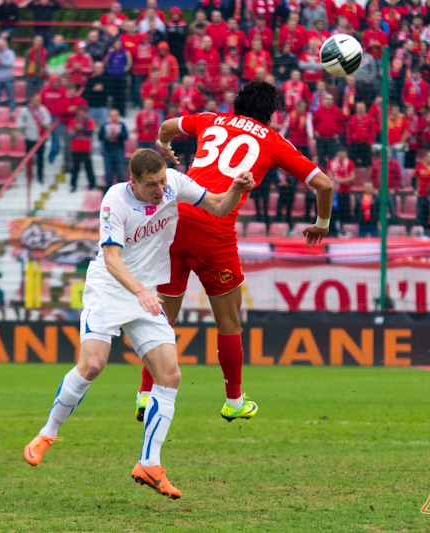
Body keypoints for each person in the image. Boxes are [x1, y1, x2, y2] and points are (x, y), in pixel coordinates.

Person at [22, 149, 256, 499]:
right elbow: (112, 259)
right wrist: (141, 293)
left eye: (162, 181)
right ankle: (46, 433)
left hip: (144, 292)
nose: (160, 190)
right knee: (93, 365)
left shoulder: (174, 183)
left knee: (170, 375)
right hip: (110, 288)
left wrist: (238, 188)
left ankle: (149, 463)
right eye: (151, 185)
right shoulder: (115, 200)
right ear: (134, 182)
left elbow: (220, 206)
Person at [142, 81, 334, 422]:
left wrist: (163, 146)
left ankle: (145, 394)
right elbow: (325, 184)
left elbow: (166, 127)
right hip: (214, 227)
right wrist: (321, 223)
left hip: (174, 217)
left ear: (237, 103)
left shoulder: (210, 119)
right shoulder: (273, 140)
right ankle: (233, 400)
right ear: (270, 114)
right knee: (229, 320)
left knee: (163, 316)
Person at [17, 94, 52, 184]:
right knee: (28, 159)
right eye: (36, 100)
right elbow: (19, 119)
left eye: (39, 100)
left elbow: (48, 119)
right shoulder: (26, 110)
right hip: (29, 138)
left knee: (40, 159)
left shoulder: (43, 110)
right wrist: (22, 125)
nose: (38, 102)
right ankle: (29, 175)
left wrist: (45, 123)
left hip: (40, 138)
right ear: (31, 100)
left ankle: (40, 177)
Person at [99, 109, 129, 191]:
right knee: (109, 174)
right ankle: (109, 193)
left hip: (119, 151)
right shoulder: (105, 125)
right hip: (108, 151)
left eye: (115, 115)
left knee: (121, 174)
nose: (114, 117)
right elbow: (100, 137)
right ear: (109, 116)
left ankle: (122, 193)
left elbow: (126, 137)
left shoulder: (122, 125)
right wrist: (107, 136)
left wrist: (118, 134)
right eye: (112, 115)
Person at [328, 147, 355, 233]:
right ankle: (332, 231)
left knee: (344, 213)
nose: (342, 154)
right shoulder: (331, 163)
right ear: (337, 153)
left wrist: (340, 180)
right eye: (340, 152)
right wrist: (336, 181)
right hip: (335, 193)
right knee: (333, 213)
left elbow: (352, 177)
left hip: (345, 192)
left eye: (344, 152)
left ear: (346, 153)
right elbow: (329, 176)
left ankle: (343, 231)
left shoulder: (349, 163)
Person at [69, 106, 95, 192]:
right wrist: (76, 130)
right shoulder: (73, 121)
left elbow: (90, 133)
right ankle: (73, 185)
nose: (83, 113)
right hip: (76, 147)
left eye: (84, 111)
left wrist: (81, 129)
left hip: (86, 147)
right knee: (75, 167)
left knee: (88, 166)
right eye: (81, 111)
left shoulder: (90, 121)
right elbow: (70, 134)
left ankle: (92, 184)